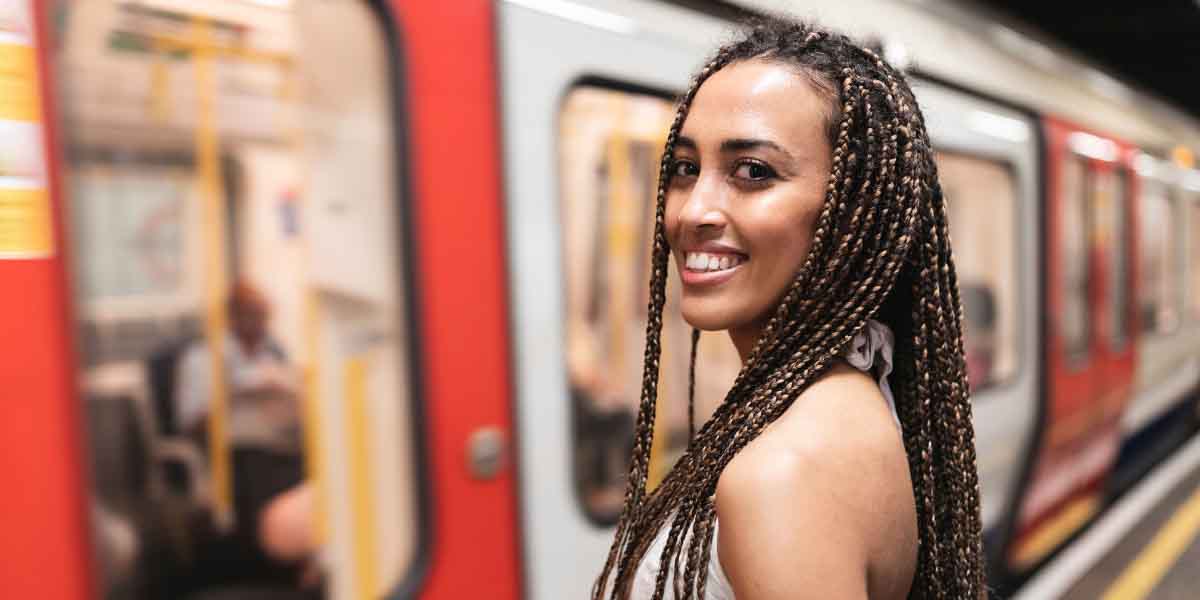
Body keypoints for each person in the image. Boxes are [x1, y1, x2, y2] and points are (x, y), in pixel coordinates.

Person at [593, 18, 984, 600]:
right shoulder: (850, 387)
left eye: (752, 172)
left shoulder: (784, 476)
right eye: (685, 167)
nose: (693, 210)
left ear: (851, 211)